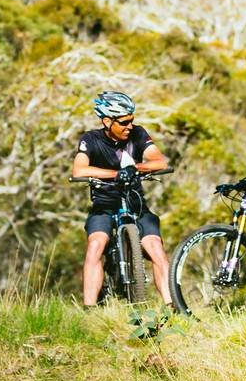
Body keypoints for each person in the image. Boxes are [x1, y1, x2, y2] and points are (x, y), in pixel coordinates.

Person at [71, 90, 172, 307]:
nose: (129, 127)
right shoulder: (91, 139)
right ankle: (89, 309)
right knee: (96, 245)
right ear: (107, 121)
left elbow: (159, 161)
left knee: (155, 246)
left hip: (135, 203)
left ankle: (172, 306)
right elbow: (79, 170)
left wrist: (135, 168)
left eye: (132, 121)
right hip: (104, 205)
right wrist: (116, 174)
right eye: (124, 122)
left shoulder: (138, 133)